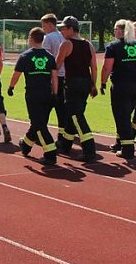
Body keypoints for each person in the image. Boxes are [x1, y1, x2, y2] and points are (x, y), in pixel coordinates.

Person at [7, 27, 58, 165]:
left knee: (38, 123)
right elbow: (54, 77)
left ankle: (51, 153)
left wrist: (11, 87)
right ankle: (26, 146)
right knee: (39, 122)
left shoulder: (25, 56)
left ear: (31, 38)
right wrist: (55, 93)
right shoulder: (50, 57)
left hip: (33, 95)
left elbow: (16, 75)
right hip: (47, 94)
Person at [54, 16, 99, 161]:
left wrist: (50, 80)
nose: (61, 31)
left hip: (73, 83)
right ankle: (66, 144)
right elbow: (94, 67)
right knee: (71, 114)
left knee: (76, 115)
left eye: (64, 28)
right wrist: (93, 84)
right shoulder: (89, 45)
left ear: (71, 29)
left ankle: (89, 148)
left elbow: (57, 65)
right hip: (85, 83)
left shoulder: (66, 44)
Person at [100, 20, 136, 160]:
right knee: (126, 114)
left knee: (122, 116)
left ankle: (127, 148)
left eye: (115, 29)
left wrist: (103, 82)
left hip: (121, 85)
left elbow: (107, 67)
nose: (114, 32)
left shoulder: (113, 46)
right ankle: (121, 144)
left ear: (121, 30)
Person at [41, 13, 68, 143]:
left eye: (44, 25)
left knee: (44, 107)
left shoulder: (48, 38)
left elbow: (46, 57)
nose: (43, 28)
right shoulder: (64, 36)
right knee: (61, 108)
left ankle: (39, 132)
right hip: (64, 76)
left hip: (53, 76)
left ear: (51, 24)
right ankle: (62, 135)